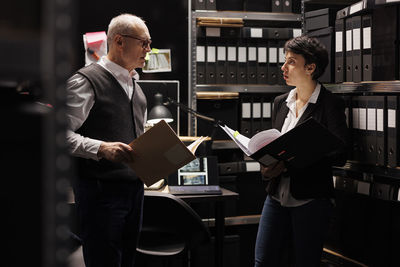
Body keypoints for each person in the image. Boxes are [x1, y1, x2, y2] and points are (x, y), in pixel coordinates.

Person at [254, 36, 349, 267]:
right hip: (276, 195)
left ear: (310, 67)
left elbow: (340, 152)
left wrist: (296, 157)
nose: (283, 67)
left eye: (291, 62)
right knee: (263, 261)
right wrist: (267, 165)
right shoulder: (280, 102)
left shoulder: (329, 104)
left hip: (311, 199)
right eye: (284, 61)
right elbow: (274, 144)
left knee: (305, 262)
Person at [66, 14, 151, 267]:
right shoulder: (86, 81)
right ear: (119, 41)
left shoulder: (136, 85)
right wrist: (101, 148)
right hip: (100, 192)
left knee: (126, 260)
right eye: (143, 43)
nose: (148, 50)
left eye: (149, 43)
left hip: (134, 191)